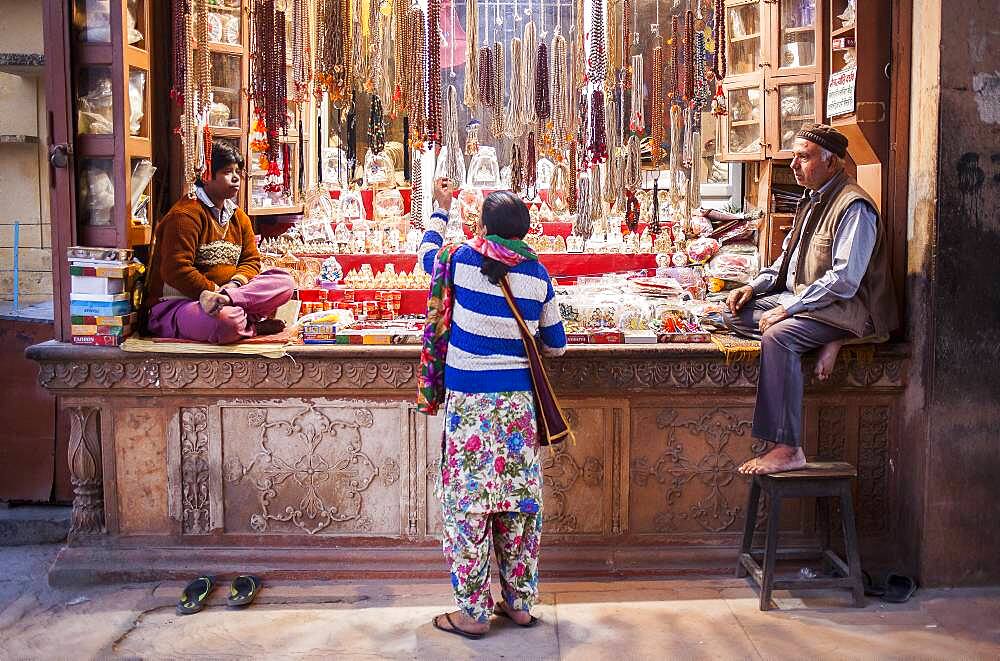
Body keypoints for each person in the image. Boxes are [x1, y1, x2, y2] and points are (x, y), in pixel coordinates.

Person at [420, 180, 566, 639]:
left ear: (482, 226)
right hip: (517, 406)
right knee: (519, 504)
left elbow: (426, 258)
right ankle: (519, 604)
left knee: (468, 506)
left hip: (469, 405)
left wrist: (441, 212)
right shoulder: (538, 275)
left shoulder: (459, 260)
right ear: (525, 230)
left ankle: (473, 613)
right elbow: (556, 345)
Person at [723, 124, 898, 475]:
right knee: (726, 314)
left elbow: (845, 280)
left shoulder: (854, 207)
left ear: (831, 162)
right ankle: (829, 338)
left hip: (847, 309)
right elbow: (784, 264)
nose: (793, 165)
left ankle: (787, 448)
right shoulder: (813, 198)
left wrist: (789, 309)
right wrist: (754, 288)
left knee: (779, 336)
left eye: (804, 157)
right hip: (807, 302)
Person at [145, 141, 295, 344]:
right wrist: (214, 293)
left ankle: (239, 317)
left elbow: (251, 262)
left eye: (237, 171)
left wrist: (229, 292)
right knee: (227, 323)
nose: (235, 178)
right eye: (227, 171)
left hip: (227, 299)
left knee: (284, 281)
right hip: (181, 305)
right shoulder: (184, 215)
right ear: (207, 176)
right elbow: (176, 270)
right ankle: (250, 325)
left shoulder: (239, 217)